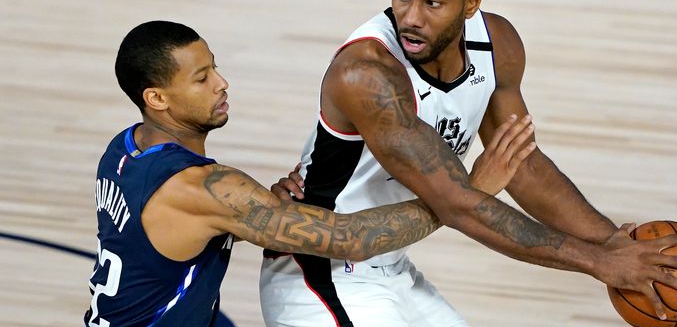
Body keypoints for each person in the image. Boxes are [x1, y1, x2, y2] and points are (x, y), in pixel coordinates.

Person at [261, 0, 677, 327]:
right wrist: (597, 261)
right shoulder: (368, 74)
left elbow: (523, 166)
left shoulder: (498, 45)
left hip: (391, 263)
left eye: (432, 1)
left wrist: (611, 240)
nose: (411, 17)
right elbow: (461, 204)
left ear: (471, 3)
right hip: (320, 271)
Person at [85, 20, 535, 327]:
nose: (222, 83)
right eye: (201, 79)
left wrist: (252, 212)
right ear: (157, 98)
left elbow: (169, 234)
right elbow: (350, 239)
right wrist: (465, 195)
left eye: (215, 67)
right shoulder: (202, 188)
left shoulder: (123, 150)